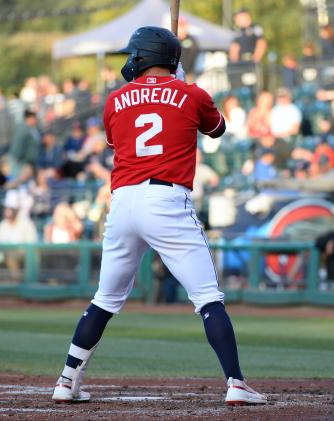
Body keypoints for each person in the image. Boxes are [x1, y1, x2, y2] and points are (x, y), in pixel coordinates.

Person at [51, 26, 267, 406]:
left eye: (133, 54)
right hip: (167, 200)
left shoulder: (114, 99)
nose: (128, 60)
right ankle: (236, 382)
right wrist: (184, 88)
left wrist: (167, 92)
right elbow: (217, 129)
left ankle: (66, 381)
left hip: (122, 203)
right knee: (207, 297)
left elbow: (121, 140)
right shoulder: (192, 93)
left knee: (105, 298)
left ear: (144, 56)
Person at [228, 8, 266, 90]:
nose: (237, 20)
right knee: (239, 87)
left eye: (238, 18)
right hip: (240, 63)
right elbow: (234, 48)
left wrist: (255, 59)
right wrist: (233, 62)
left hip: (251, 63)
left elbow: (261, 44)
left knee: (252, 86)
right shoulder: (237, 31)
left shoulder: (255, 29)